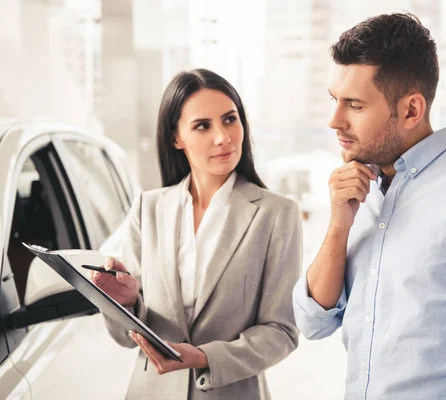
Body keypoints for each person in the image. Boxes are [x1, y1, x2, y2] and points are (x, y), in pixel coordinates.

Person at [292, 13, 446, 400]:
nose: (334, 121)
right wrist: (339, 226)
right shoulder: (361, 191)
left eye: (354, 105)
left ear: (411, 110)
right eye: (334, 101)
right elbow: (313, 321)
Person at [92, 69, 302, 399]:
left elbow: (282, 332)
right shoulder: (149, 209)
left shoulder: (276, 214)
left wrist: (207, 358)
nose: (223, 137)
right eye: (202, 125)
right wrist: (125, 303)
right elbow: (124, 335)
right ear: (176, 137)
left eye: (230, 120)